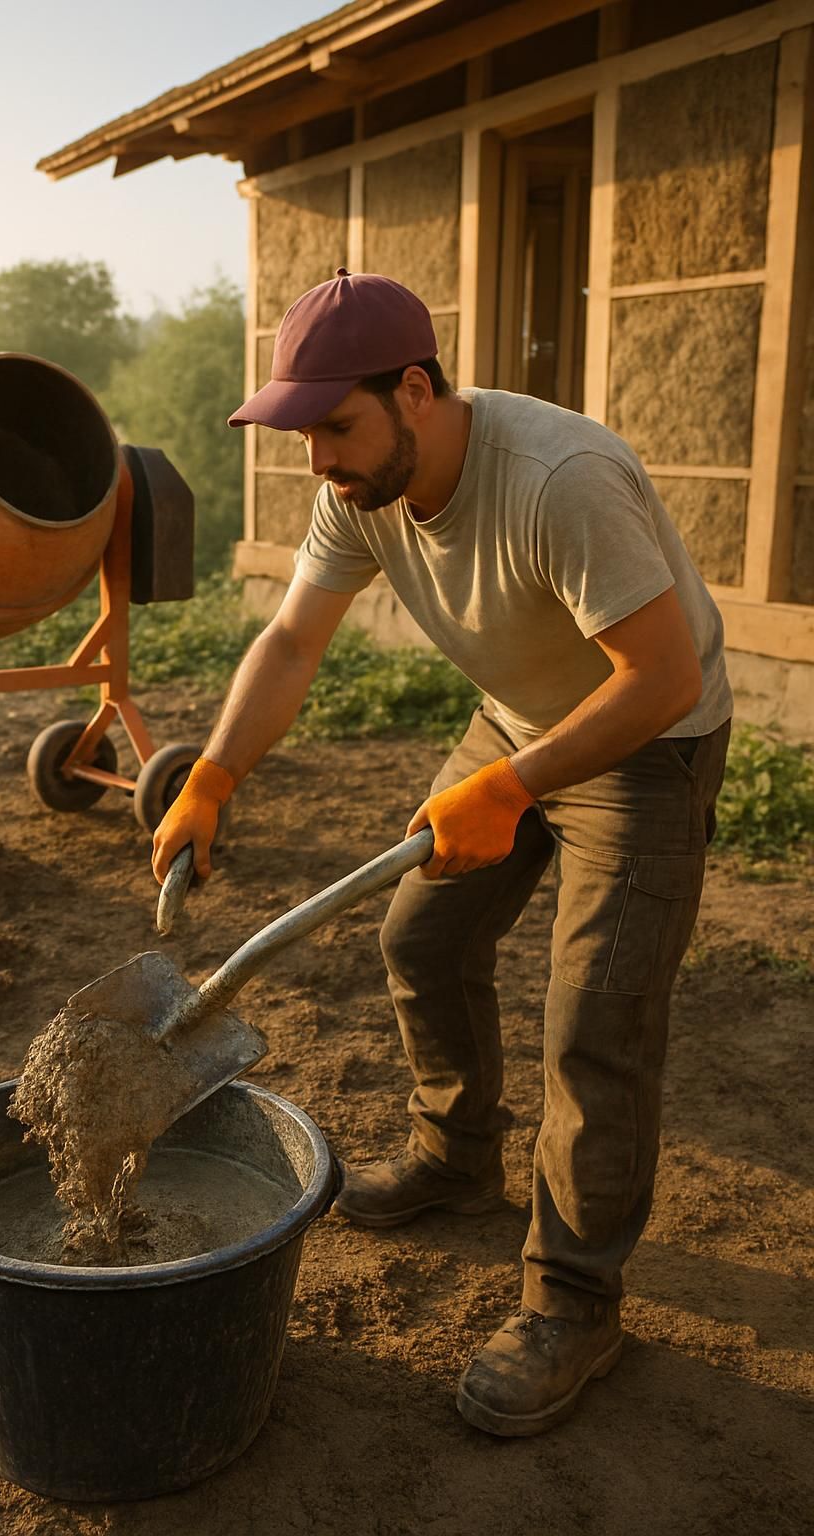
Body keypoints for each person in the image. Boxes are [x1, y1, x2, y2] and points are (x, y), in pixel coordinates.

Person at [151, 268, 732, 1437]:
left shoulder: (558, 481)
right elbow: (291, 637)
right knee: (421, 932)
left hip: (649, 740)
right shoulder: (358, 484)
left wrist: (514, 788)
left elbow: (659, 676)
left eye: (333, 426)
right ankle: (457, 1155)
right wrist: (213, 773)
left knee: (596, 1029)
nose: (316, 457)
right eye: (300, 429)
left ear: (413, 390)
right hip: (517, 722)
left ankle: (574, 1305)